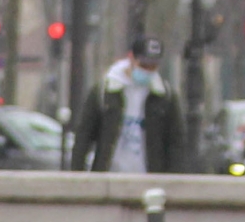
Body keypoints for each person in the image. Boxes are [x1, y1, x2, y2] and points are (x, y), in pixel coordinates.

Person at [73, 35, 179, 173]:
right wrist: (78, 175)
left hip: (150, 179)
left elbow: (176, 143)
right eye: (143, 65)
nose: (147, 71)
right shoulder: (104, 92)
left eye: (153, 67)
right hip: (109, 178)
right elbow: (84, 136)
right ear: (131, 58)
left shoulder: (165, 96)